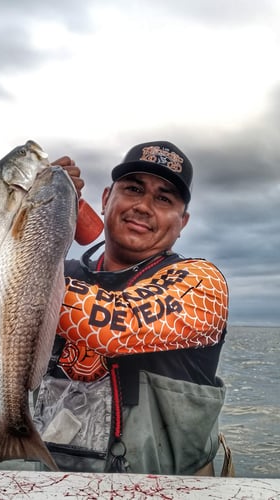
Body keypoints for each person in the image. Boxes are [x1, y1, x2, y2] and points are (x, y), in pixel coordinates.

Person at [33, 140, 230, 476]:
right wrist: (25, 211)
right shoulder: (54, 270)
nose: (143, 206)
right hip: (55, 486)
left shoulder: (203, 284)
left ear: (182, 222)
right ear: (106, 198)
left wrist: (17, 270)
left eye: (164, 198)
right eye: (134, 189)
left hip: (173, 493)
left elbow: (116, 326)